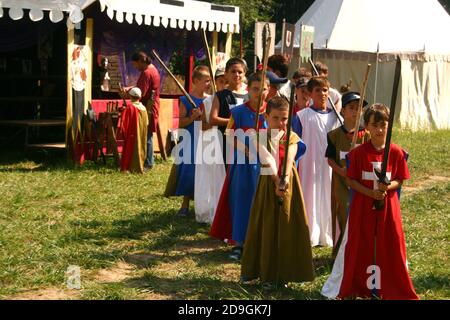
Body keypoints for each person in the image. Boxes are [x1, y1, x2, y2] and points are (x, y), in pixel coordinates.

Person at [322, 104, 419, 300]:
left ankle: (389, 285)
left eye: (383, 125)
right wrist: (370, 192)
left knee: (390, 242)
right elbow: (350, 179)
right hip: (362, 206)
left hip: (388, 206)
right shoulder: (358, 153)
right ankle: (360, 284)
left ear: (389, 125)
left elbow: (399, 179)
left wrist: (387, 187)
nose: (380, 130)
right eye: (375, 125)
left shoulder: (396, 152)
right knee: (361, 242)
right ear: (366, 127)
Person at [240, 96, 314, 287]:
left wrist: (286, 179)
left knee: (288, 224)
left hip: (289, 183)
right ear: (266, 116)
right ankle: (266, 273)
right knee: (266, 225)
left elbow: (290, 157)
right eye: (276, 118)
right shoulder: (258, 136)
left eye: (284, 119)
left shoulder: (291, 136)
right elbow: (268, 160)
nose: (281, 123)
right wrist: (276, 181)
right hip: (268, 182)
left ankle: (287, 272)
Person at [210, 72, 268, 261]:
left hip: (266, 165)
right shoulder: (239, 112)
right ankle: (239, 244)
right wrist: (249, 152)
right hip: (243, 165)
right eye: (255, 89)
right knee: (241, 202)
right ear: (248, 89)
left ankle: (261, 243)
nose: (260, 93)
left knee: (262, 203)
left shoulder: (272, 111)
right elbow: (230, 135)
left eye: (264, 89)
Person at [292, 76, 342, 247]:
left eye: (325, 90)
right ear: (310, 94)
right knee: (310, 196)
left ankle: (328, 233)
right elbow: (295, 142)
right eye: (318, 90)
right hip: (309, 164)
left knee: (329, 196)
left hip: (329, 166)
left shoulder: (337, 119)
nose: (322, 93)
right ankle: (310, 232)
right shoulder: (301, 116)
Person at [325, 92, 370, 257]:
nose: (355, 111)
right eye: (351, 108)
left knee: (361, 216)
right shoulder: (334, 135)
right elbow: (330, 159)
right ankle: (341, 254)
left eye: (359, 108)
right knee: (343, 214)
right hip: (341, 184)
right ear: (342, 110)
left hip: (362, 184)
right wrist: (341, 171)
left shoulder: (366, 135)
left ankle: (360, 252)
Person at [165, 65, 210, 217]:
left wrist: (203, 116)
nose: (209, 84)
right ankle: (185, 205)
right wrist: (192, 117)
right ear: (196, 81)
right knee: (189, 170)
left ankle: (203, 204)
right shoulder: (185, 99)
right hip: (190, 138)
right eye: (206, 80)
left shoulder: (211, 99)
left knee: (204, 170)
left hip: (205, 137)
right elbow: (180, 123)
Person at [194, 69, 228, 224]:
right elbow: (204, 126)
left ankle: (221, 208)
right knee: (210, 176)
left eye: (225, 81)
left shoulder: (228, 99)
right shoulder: (208, 101)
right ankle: (209, 208)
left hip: (224, 141)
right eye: (220, 81)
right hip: (210, 141)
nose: (223, 84)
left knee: (221, 176)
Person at [120, 51, 161, 170]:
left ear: (141, 61)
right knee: (146, 134)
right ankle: (147, 161)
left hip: (148, 108)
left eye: (135, 64)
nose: (135, 67)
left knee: (146, 134)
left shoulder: (147, 73)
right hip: (149, 107)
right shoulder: (151, 69)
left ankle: (148, 163)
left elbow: (140, 93)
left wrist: (126, 94)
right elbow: (139, 88)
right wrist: (129, 89)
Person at [209, 58, 249, 165]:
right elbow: (212, 119)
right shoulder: (220, 95)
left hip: (246, 140)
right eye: (233, 71)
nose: (237, 74)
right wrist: (233, 122)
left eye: (240, 72)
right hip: (225, 141)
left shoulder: (250, 95)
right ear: (226, 74)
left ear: (244, 74)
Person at [120, 87, 149, 174]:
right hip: (142, 133)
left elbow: (125, 123)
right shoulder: (143, 108)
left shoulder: (130, 107)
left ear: (130, 96)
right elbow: (147, 122)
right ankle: (139, 166)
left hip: (132, 134)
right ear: (139, 97)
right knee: (141, 147)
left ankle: (129, 167)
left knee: (131, 148)